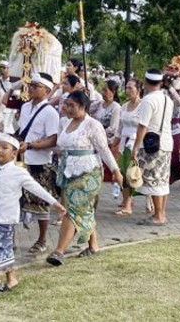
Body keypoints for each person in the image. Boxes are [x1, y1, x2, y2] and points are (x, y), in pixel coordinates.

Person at [0, 133, 65, 294]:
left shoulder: (18, 172)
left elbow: (36, 188)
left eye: (4, 148)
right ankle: (11, 278)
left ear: (14, 153)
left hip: (7, 218)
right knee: (4, 249)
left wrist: (56, 204)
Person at [46, 91, 123, 266]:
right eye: (67, 104)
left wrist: (116, 171)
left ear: (83, 107)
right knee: (83, 209)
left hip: (88, 173)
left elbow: (104, 150)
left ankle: (59, 251)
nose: (68, 108)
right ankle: (93, 245)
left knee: (73, 208)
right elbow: (60, 146)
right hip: (68, 171)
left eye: (73, 105)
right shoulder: (64, 123)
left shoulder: (92, 125)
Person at [12, 72, 60, 254]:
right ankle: (12, 237)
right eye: (30, 85)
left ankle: (42, 239)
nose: (30, 88)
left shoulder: (50, 112)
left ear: (46, 90)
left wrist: (32, 145)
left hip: (39, 161)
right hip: (21, 160)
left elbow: (53, 139)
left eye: (35, 86)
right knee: (16, 199)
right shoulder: (24, 108)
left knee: (40, 201)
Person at [130, 69, 174, 226]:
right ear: (160, 82)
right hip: (166, 141)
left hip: (152, 143)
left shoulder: (148, 100)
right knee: (162, 179)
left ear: (146, 82)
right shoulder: (167, 99)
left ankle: (159, 215)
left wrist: (135, 148)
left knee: (154, 180)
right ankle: (160, 213)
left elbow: (143, 126)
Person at [114, 78, 143, 216]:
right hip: (123, 143)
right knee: (123, 173)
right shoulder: (124, 106)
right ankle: (126, 202)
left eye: (131, 88)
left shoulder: (143, 106)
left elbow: (144, 127)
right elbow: (120, 127)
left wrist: (137, 147)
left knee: (133, 174)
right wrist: (115, 141)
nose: (128, 90)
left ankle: (131, 203)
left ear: (138, 90)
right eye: (126, 88)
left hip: (135, 142)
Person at [90, 79, 121, 183]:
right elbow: (86, 109)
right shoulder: (99, 104)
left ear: (113, 92)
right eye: (102, 90)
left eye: (106, 90)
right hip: (94, 139)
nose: (103, 93)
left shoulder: (116, 107)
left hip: (106, 141)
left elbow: (113, 128)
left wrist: (99, 133)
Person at [0, 60, 16, 134]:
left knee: (6, 126)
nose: (1, 69)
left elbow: (15, 95)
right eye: (0, 67)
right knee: (0, 125)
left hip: (8, 107)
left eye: (4, 68)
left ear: (9, 69)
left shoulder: (13, 81)